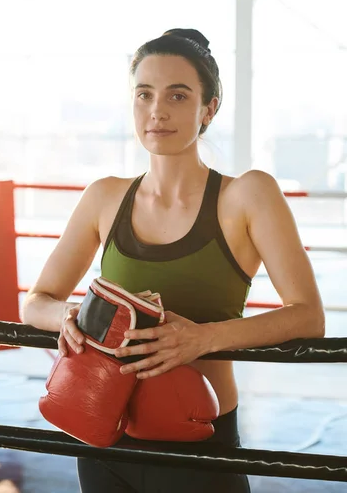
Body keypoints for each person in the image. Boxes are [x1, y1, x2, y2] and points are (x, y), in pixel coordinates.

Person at [21, 28, 325, 492]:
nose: (157, 111)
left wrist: (201, 339)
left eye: (178, 96)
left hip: (201, 444)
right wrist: (68, 316)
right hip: (104, 435)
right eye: (144, 94)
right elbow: (36, 301)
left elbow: (308, 316)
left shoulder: (247, 194)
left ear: (209, 107)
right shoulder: (104, 196)